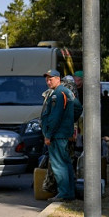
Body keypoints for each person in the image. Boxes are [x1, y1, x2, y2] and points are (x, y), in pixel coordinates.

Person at [41, 69, 76, 202]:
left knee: (58, 165)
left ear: (58, 79)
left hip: (57, 135)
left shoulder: (58, 94)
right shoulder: (66, 92)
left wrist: (48, 135)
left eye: (51, 79)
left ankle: (64, 193)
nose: (48, 82)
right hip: (62, 134)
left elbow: (55, 117)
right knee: (66, 163)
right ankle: (69, 192)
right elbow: (77, 108)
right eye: (47, 79)